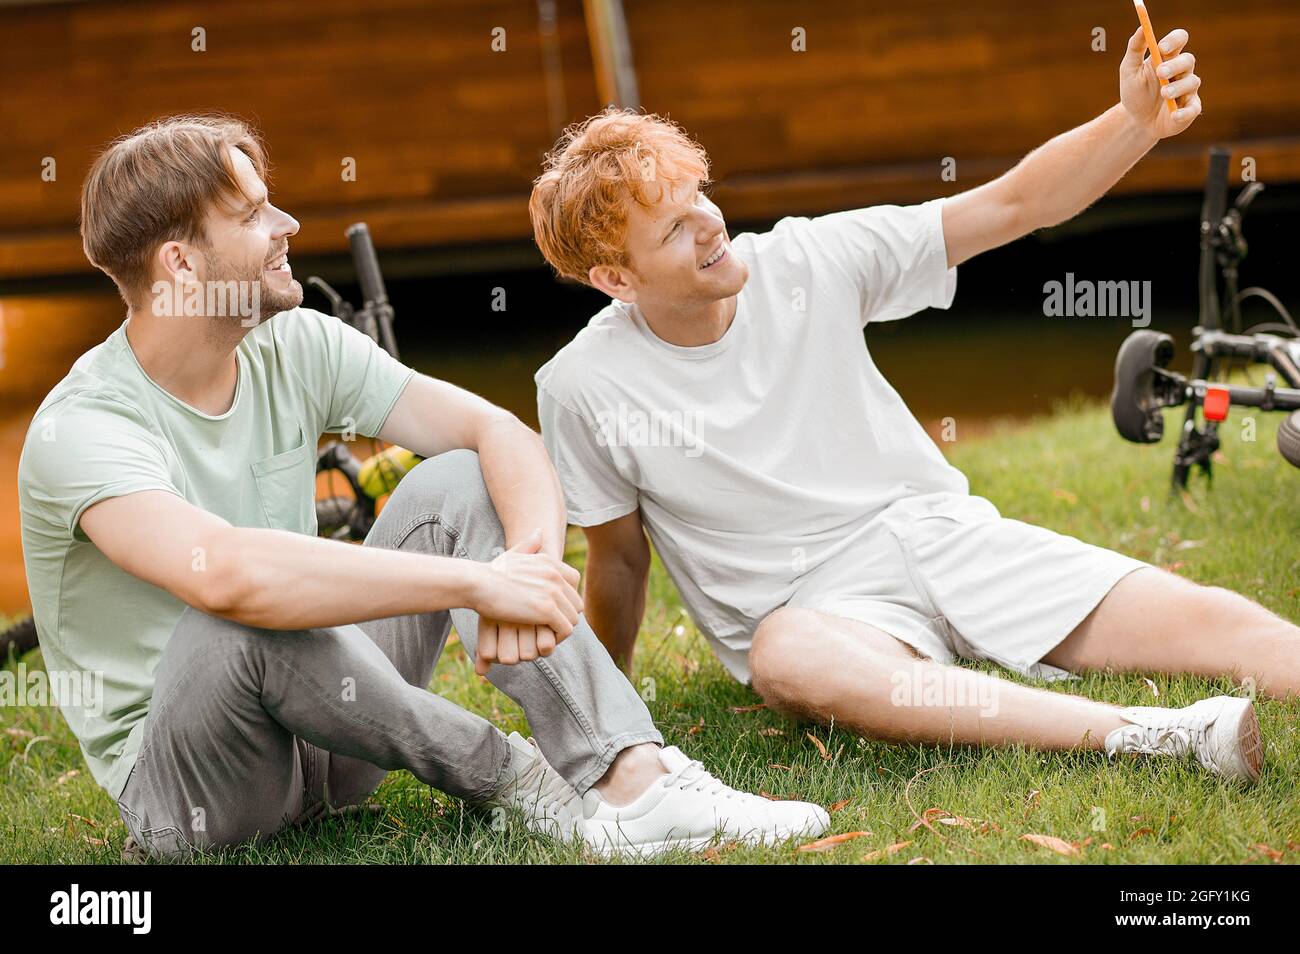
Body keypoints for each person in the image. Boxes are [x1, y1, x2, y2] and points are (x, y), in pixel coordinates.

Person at [16, 115, 829, 860]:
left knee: (459, 482)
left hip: (336, 741)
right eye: (253, 214)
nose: (287, 226)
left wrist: (529, 569)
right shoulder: (82, 430)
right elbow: (228, 574)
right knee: (237, 618)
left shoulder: (294, 343)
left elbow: (497, 434)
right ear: (182, 262)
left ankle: (632, 779)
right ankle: (517, 778)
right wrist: (478, 583)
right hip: (202, 793)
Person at [530, 26, 1293, 784]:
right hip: (820, 614)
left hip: (937, 538)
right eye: (673, 228)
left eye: (699, 195)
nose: (710, 225)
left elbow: (1013, 205)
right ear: (616, 281)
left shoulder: (807, 259)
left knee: (1212, 621)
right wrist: (610, 714)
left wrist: (1133, 122)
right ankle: (1149, 735)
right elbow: (619, 557)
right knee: (783, 656)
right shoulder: (581, 386)